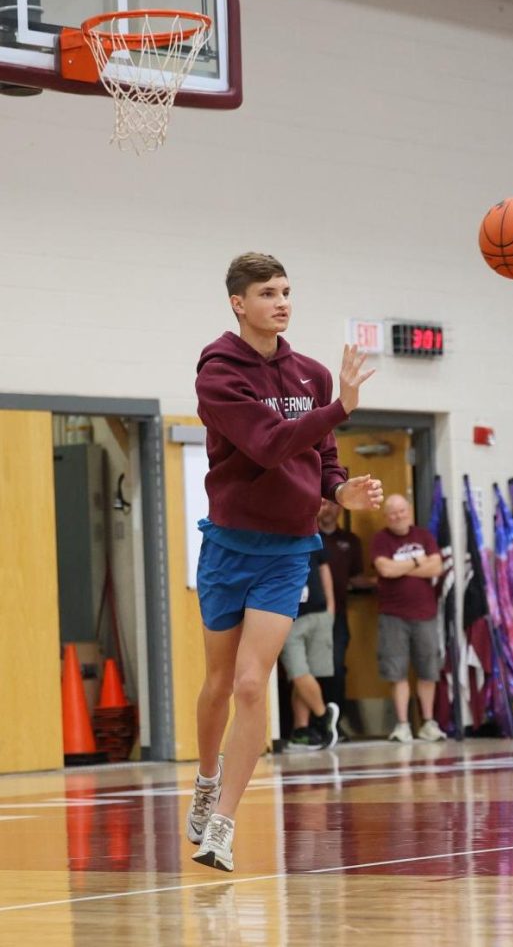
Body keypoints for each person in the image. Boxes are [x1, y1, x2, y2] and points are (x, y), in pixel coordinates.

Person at [188, 252, 382, 872]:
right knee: (218, 684)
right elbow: (270, 445)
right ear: (238, 303)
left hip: (288, 551)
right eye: (268, 292)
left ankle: (222, 827)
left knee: (252, 683)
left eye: (287, 291)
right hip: (228, 545)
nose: (282, 302)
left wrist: (339, 491)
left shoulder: (313, 375)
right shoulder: (219, 373)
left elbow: (322, 454)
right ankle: (205, 778)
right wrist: (341, 407)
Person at [372, 494, 446, 744]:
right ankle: (403, 725)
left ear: (410, 511)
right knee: (397, 672)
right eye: (392, 512)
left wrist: (400, 567)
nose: (398, 516)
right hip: (393, 616)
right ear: (386, 516)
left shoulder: (424, 536)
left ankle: (428, 723)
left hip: (425, 614)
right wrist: (417, 561)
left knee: (428, 670)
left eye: (401, 510)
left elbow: (436, 567)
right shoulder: (381, 540)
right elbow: (385, 569)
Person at [279, 548, 340, 750]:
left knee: (310, 673)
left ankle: (301, 730)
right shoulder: (267, 536)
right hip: (288, 617)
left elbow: (324, 569)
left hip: (318, 612)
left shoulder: (310, 532)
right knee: (298, 673)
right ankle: (324, 716)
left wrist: (330, 606)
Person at [317, 499, 366, 737]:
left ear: (340, 508)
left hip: (338, 616)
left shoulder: (351, 541)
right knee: (308, 670)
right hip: (308, 613)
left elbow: (357, 578)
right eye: (323, 503)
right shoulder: (308, 538)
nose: (328, 508)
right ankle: (311, 726)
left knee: (335, 668)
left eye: (333, 504)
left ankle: (335, 724)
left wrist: (386, 581)